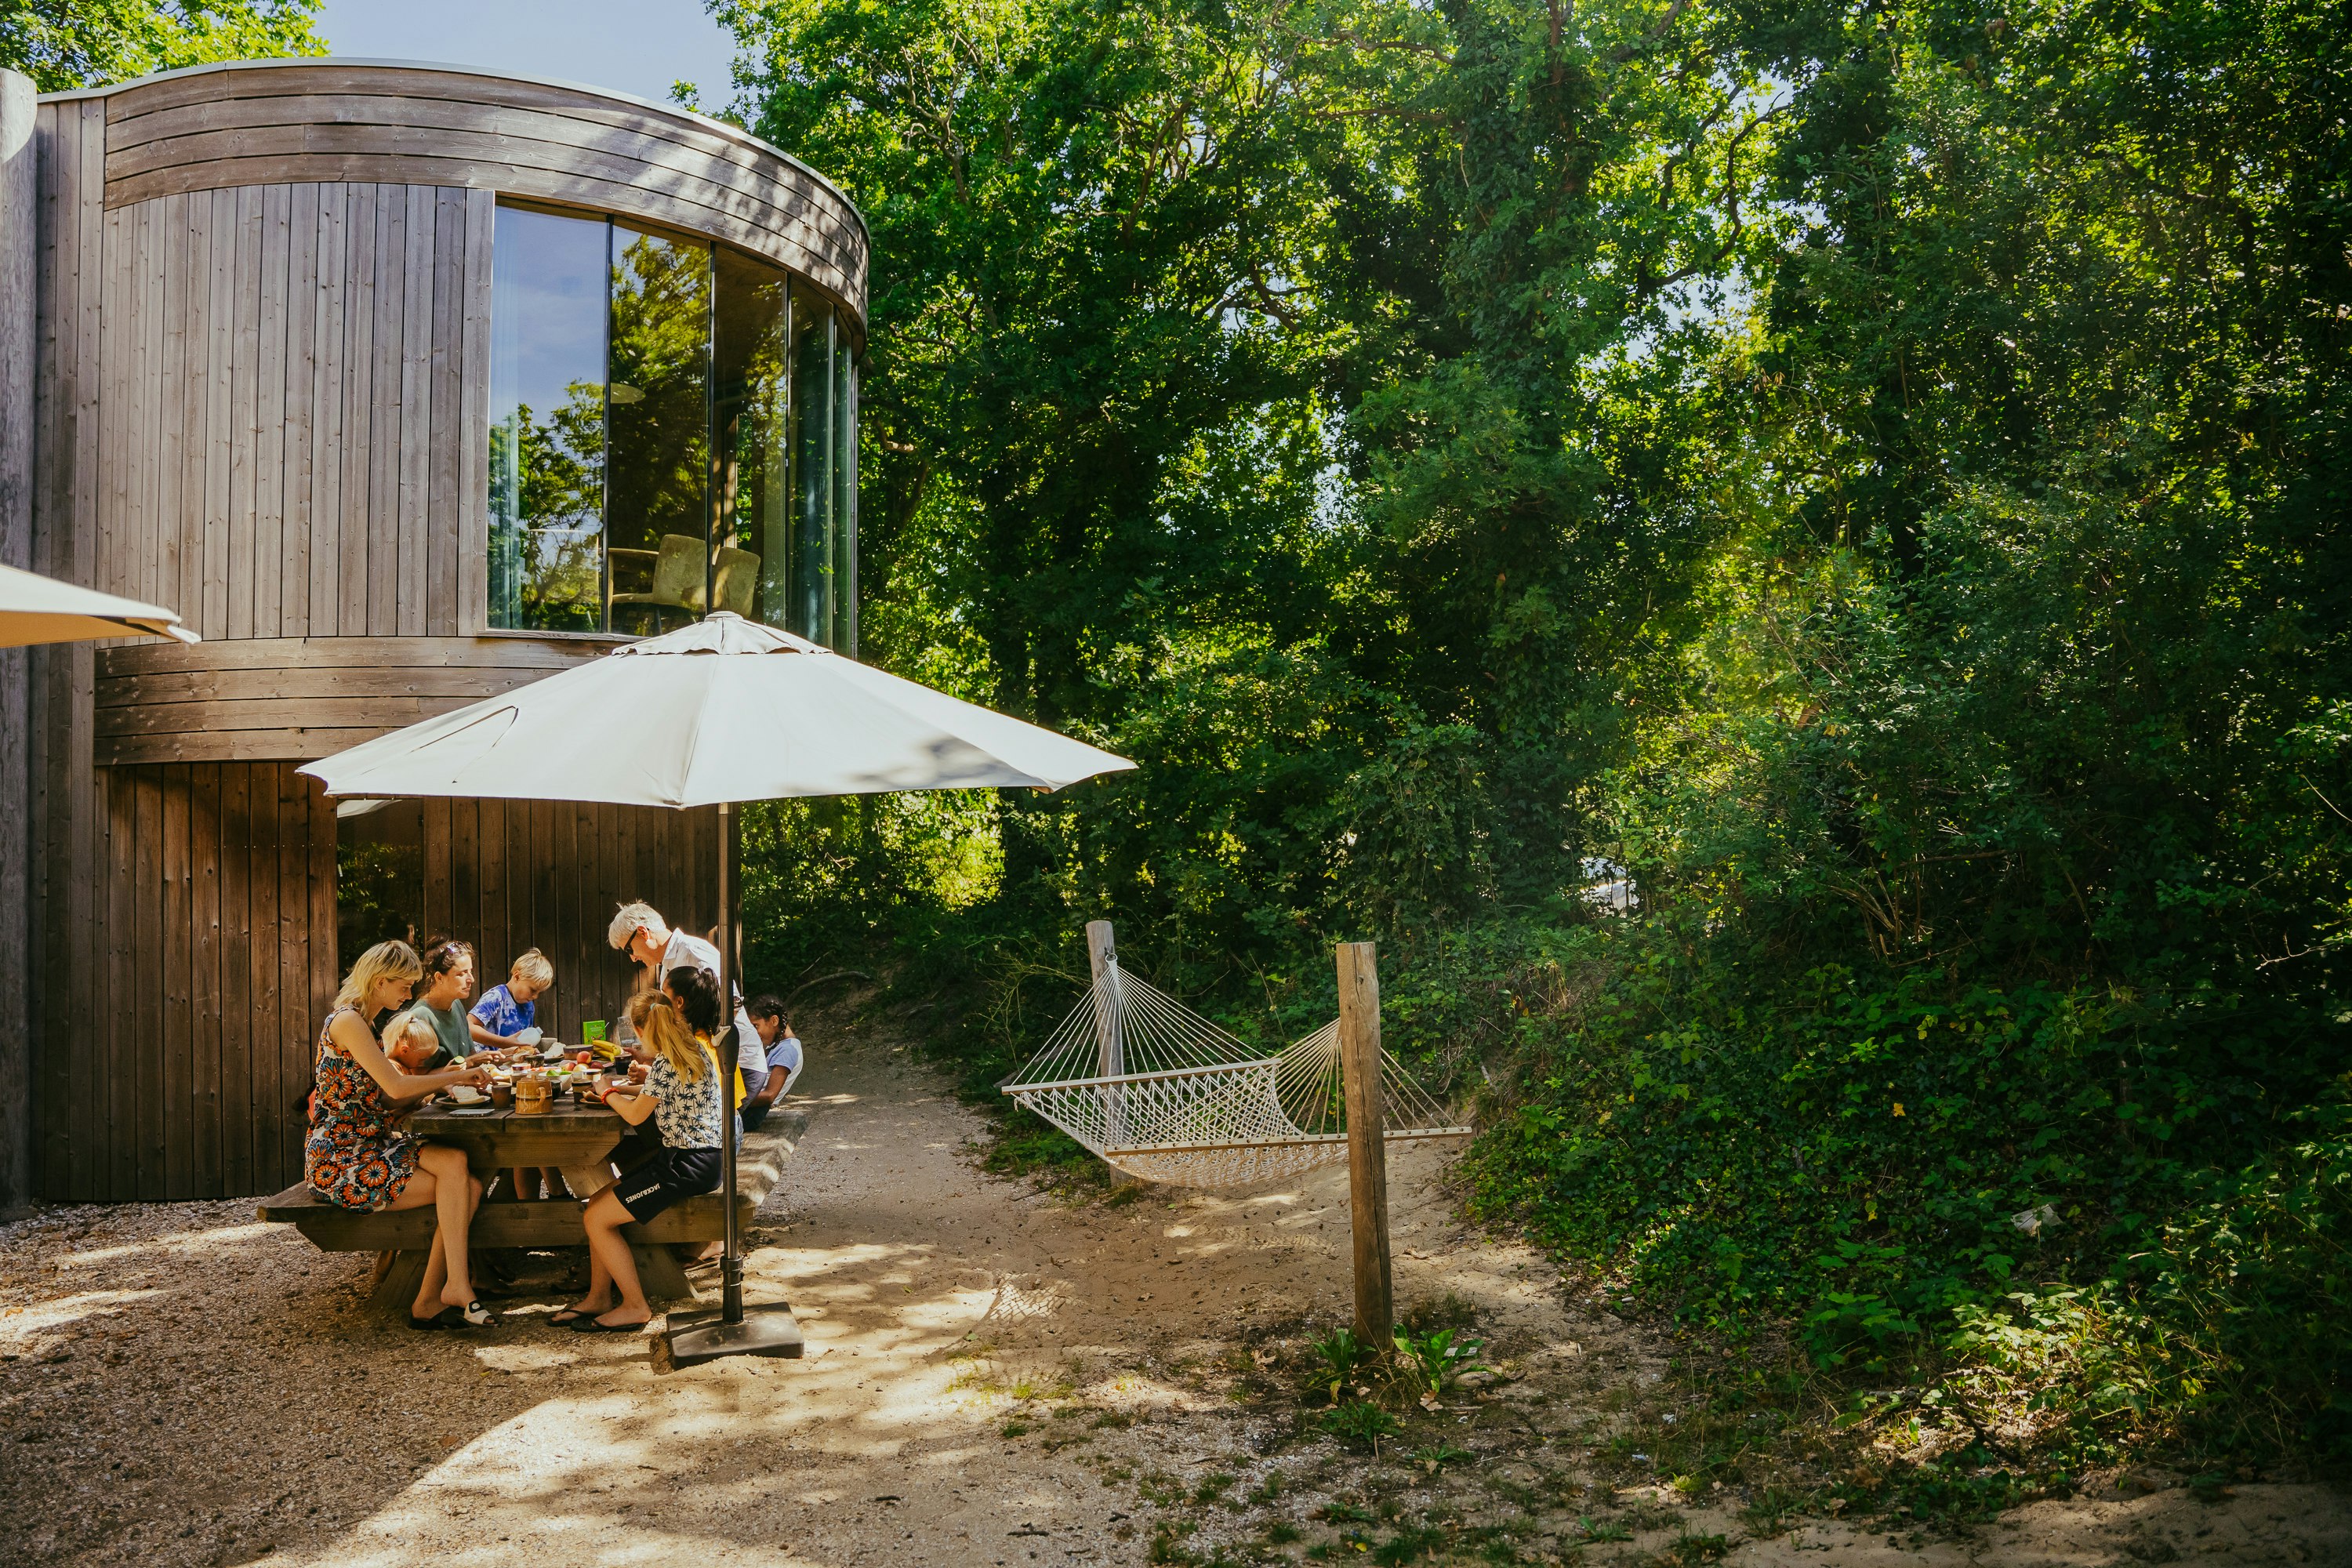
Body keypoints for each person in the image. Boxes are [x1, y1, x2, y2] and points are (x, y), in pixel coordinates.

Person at [306, 940, 495, 1328]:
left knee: (462, 1170)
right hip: (341, 1159)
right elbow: (393, 1086)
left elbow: (381, 1099)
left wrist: (432, 1089)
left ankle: (440, 1294)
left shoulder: (366, 1025)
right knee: (465, 1186)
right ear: (378, 982)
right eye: (404, 985)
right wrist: (460, 1075)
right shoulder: (346, 1022)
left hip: (370, 1143)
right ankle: (446, 1291)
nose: (409, 994)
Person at [555, 982, 724, 1331]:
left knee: (597, 1219)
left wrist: (605, 1093)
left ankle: (635, 1306)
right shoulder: (691, 1049)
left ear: (639, 1028)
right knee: (597, 1205)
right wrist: (620, 1090)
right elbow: (661, 1092)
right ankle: (598, 1296)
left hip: (687, 1165)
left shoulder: (666, 1061)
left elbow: (635, 1116)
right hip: (697, 1158)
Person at [608, 901, 762, 1096]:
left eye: (629, 950)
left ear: (642, 932)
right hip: (707, 1067)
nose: (633, 958)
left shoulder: (693, 952)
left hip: (735, 1066)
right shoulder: (667, 965)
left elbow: (732, 1004)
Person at [399, 937, 478, 1068]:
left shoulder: (456, 1004)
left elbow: (470, 1055)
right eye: (462, 974)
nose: (472, 979)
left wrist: (503, 1055)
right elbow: (417, 1076)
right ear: (439, 977)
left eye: (470, 971)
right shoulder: (419, 1016)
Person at [739, 995, 802, 1131]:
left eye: (756, 1026)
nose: (754, 1033)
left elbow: (769, 1095)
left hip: (751, 1114)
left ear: (774, 1020)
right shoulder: (779, 1046)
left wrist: (733, 1101)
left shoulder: (788, 1050)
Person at [470, 948, 553, 1051]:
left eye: (539, 993)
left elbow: (521, 1042)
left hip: (511, 1063)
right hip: (486, 1063)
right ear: (517, 977)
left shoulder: (529, 1005)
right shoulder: (496, 997)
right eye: (532, 990)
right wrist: (504, 1042)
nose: (535, 997)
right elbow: (469, 1026)